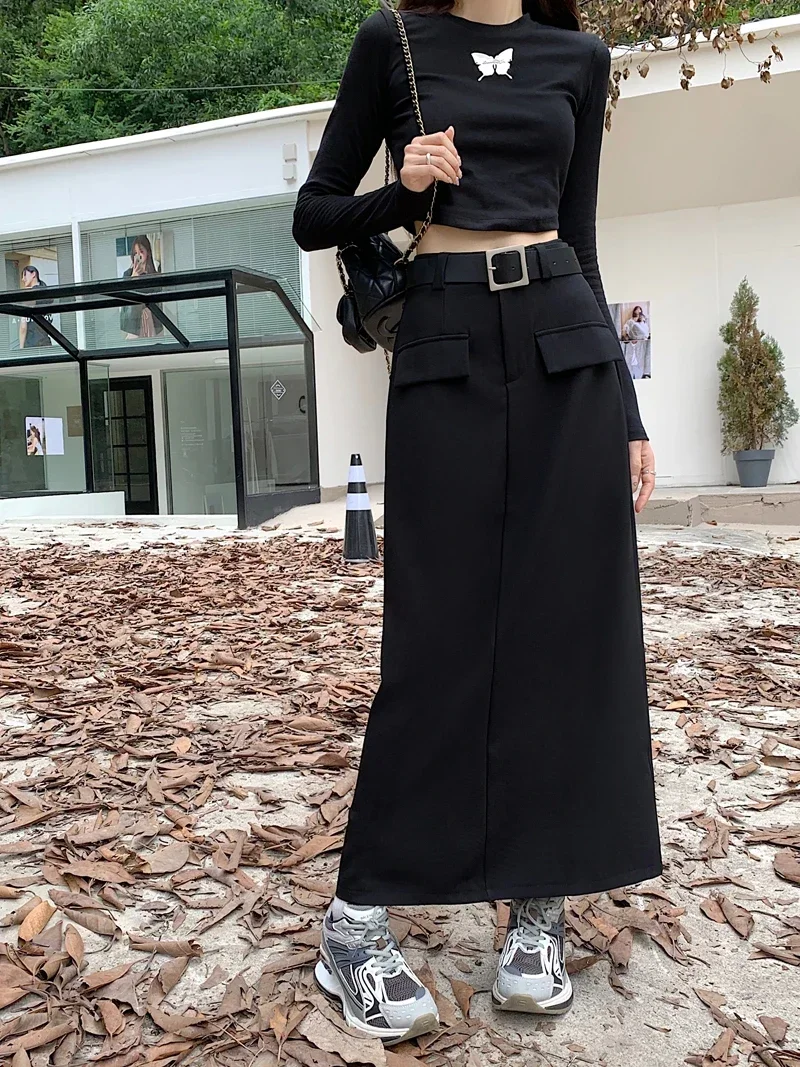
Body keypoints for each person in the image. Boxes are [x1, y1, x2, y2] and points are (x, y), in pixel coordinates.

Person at [292, 0, 661, 1043]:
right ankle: (354, 922)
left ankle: (537, 910)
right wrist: (401, 190)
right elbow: (314, 213)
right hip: (445, 334)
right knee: (434, 636)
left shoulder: (579, 58)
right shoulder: (393, 40)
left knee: (566, 633)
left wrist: (627, 414)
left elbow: (581, 239)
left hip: (563, 343)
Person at [120, 235, 164, 340]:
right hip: (133, 325)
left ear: (148, 252)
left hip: (154, 324)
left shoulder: (155, 276)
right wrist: (133, 278)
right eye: (135, 253)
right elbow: (124, 300)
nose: (138, 255)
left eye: (141, 251)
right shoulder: (128, 274)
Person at [18, 266, 53, 350]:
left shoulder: (30, 295)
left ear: (33, 274)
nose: (23, 279)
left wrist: (21, 348)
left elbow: (23, 326)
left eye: (25, 275)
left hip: (31, 344)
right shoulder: (47, 294)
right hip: (46, 343)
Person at [622, 306, 651, 379]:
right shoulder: (630, 321)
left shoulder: (643, 321)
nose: (638, 311)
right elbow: (625, 328)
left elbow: (646, 332)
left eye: (639, 310)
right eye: (637, 310)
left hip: (639, 366)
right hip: (628, 365)